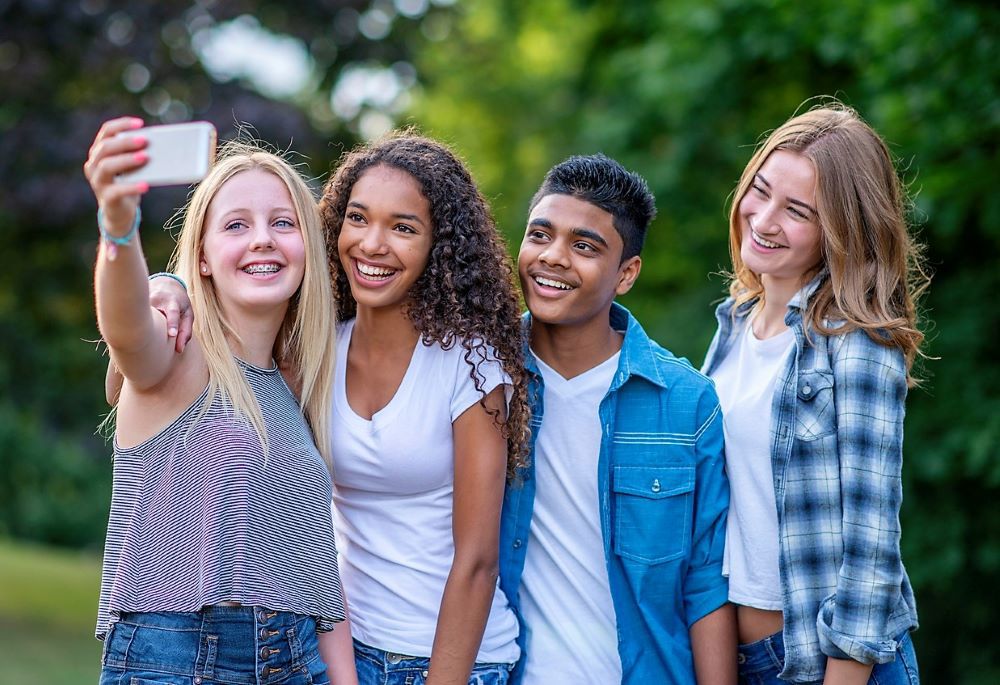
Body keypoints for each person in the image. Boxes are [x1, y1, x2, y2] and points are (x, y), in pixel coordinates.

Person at [85, 117, 356, 684]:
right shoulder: (178, 354)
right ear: (202, 257)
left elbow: (321, 590)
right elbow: (127, 326)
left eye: (283, 223)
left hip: (296, 660)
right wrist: (119, 227)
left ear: (308, 248)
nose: (262, 238)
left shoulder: (294, 386)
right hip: (181, 659)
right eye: (236, 225)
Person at [700, 103, 927, 684]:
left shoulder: (857, 343)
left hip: (838, 665)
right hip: (752, 661)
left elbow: (872, 548)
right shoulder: (733, 328)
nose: (764, 218)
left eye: (798, 211)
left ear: (843, 231)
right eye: (761, 189)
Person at [498, 154, 736, 684]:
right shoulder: (480, 378)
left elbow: (705, 583)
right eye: (540, 235)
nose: (553, 257)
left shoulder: (686, 401)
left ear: (626, 273)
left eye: (584, 246)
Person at [317, 134, 529, 684]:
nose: (372, 244)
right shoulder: (318, 350)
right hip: (342, 655)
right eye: (358, 219)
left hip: (449, 662)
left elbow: (478, 561)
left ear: (441, 246)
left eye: (403, 228)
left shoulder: (471, 365)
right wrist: (168, 286)